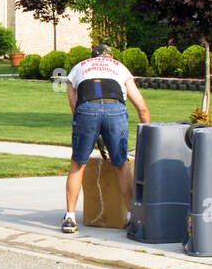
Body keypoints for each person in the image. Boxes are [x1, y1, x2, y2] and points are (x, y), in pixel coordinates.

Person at [62, 44, 150, 234]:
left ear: (92, 57)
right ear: (109, 57)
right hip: (115, 110)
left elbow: (74, 105)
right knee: (121, 164)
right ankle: (133, 218)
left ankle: (70, 217)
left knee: (78, 163)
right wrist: (147, 135)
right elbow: (142, 107)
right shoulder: (119, 67)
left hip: (86, 109)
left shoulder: (78, 68)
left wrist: (88, 125)